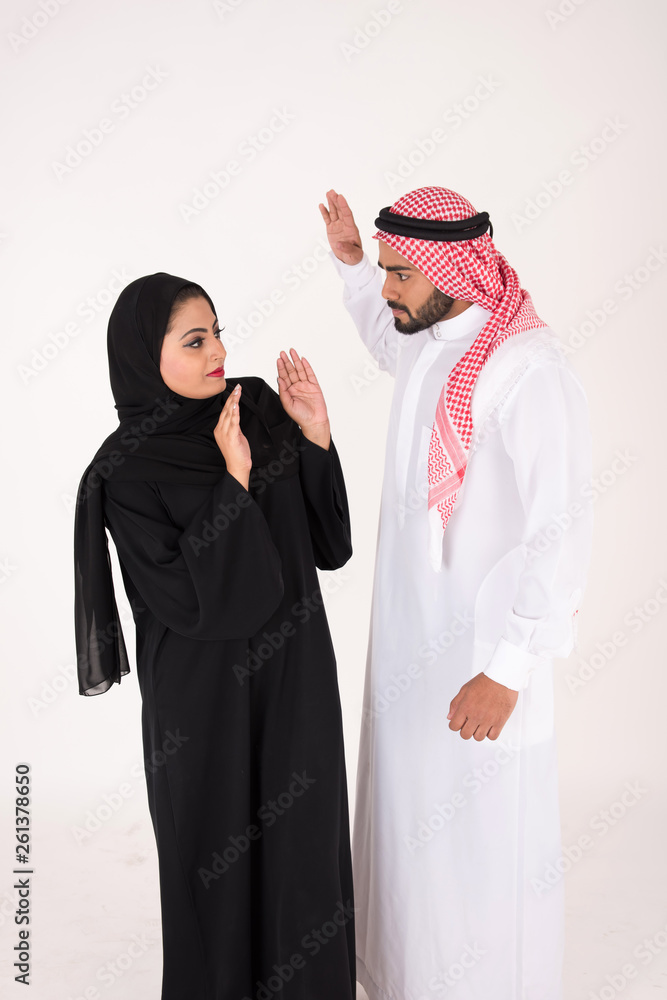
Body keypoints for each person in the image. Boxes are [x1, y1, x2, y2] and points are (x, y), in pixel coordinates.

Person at [319, 187, 593, 1000]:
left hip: (481, 661)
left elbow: (562, 531)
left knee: (482, 847)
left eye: (399, 273)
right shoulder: (429, 333)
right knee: (407, 837)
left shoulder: (528, 369)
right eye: (388, 272)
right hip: (407, 647)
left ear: (450, 269)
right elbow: (387, 334)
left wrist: (507, 670)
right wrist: (353, 270)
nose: (389, 290)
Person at [73, 271, 356, 1000]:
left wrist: (316, 437)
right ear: (144, 356)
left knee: (301, 852)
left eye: (218, 333)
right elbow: (186, 599)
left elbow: (325, 545)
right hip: (200, 701)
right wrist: (232, 482)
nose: (217, 351)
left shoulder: (256, 408)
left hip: (292, 672)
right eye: (194, 340)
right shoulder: (126, 469)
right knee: (214, 859)